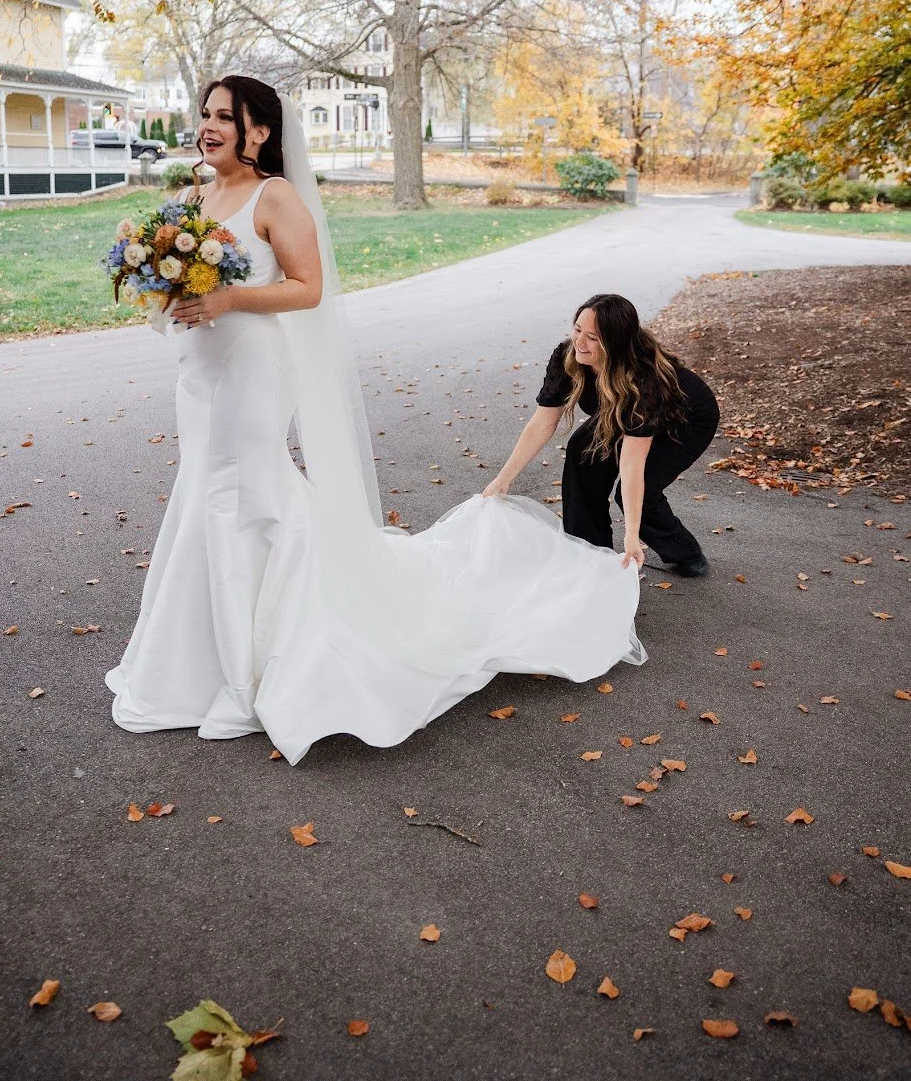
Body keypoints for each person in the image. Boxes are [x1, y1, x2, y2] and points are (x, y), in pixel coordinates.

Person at [106, 77, 645, 764]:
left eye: (223, 117)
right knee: (205, 487)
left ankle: (244, 674)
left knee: (241, 492)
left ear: (260, 132)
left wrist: (228, 298)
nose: (208, 126)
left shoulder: (277, 197)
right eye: (204, 114)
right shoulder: (194, 193)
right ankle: (193, 658)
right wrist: (164, 285)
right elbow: (179, 272)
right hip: (201, 373)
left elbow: (308, 289)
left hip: (252, 372)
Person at [484, 295, 720, 577]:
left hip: (685, 420)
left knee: (634, 493)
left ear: (615, 342)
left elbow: (633, 463)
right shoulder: (568, 357)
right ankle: (589, 555)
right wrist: (503, 478)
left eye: (593, 338)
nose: (580, 343)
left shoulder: (641, 378)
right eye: (577, 330)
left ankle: (686, 553)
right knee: (582, 453)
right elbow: (542, 423)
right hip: (619, 411)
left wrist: (631, 536)